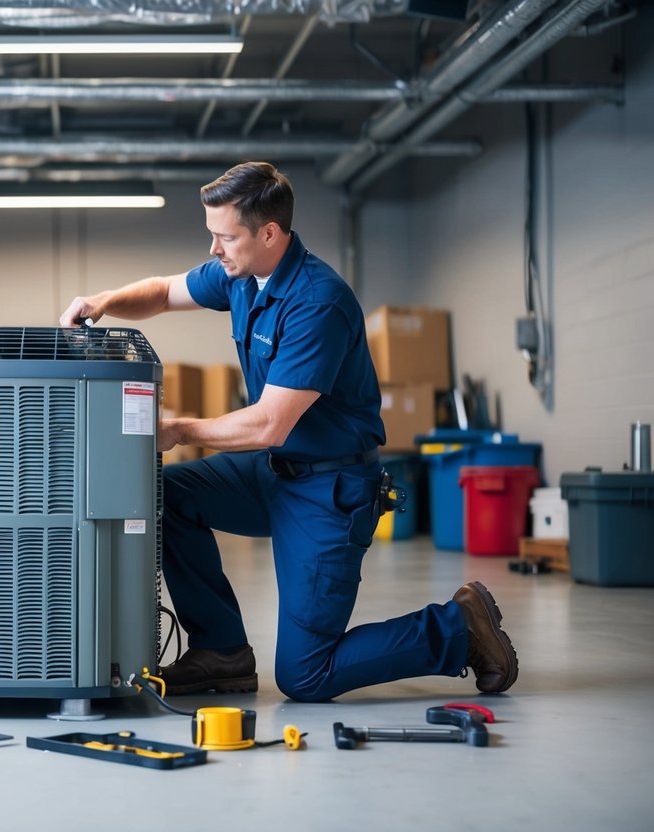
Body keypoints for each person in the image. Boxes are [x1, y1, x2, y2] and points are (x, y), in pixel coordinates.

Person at [59, 161, 518, 702]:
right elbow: (162, 292)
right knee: (167, 495)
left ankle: (458, 628)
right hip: (274, 472)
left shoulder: (317, 301)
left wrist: (179, 427)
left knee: (306, 675)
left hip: (329, 490)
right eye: (211, 235)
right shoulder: (243, 276)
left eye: (224, 236)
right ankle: (221, 652)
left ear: (269, 233)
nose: (213, 249)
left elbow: (270, 422)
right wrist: (102, 302)